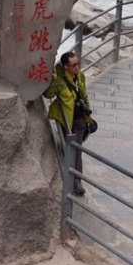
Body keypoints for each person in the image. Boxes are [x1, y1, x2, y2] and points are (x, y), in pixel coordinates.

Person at [43, 51, 96, 195]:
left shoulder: (80, 76)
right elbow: (47, 95)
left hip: (80, 118)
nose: (77, 68)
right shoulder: (60, 81)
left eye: (78, 64)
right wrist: (52, 80)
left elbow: (84, 96)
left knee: (76, 148)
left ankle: (77, 180)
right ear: (65, 66)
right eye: (73, 65)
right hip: (66, 118)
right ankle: (73, 176)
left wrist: (88, 114)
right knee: (73, 148)